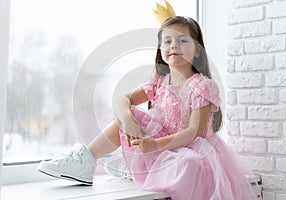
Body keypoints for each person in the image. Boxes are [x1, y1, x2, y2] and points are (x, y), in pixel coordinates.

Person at [38, 16, 260, 200]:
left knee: (189, 164)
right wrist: (127, 120)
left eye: (183, 41)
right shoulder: (159, 82)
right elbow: (122, 99)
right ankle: (85, 160)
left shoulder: (201, 85)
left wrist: (154, 145)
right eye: (168, 41)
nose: (174, 46)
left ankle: (135, 170)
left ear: (198, 50)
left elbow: (193, 133)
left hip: (189, 148)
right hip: (161, 146)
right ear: (160, 49)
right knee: (130, 114)